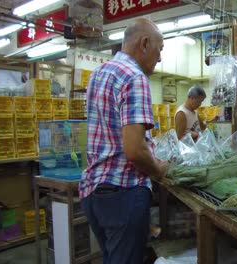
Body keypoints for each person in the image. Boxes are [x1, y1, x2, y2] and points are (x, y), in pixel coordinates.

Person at [79, 18, 168, 264]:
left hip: (93, 192)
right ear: (145, 43)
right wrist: (159, 169)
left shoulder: (98, 74)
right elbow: (135, 151)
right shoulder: (135, 77)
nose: (159, 58)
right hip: (123, 193)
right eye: (159, 50)